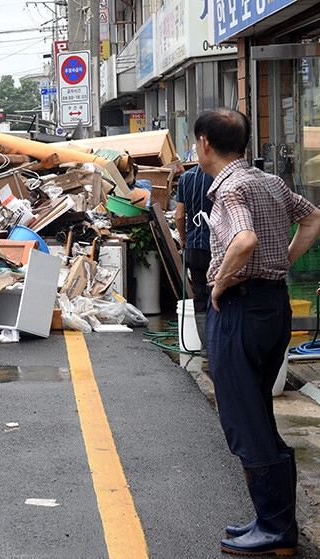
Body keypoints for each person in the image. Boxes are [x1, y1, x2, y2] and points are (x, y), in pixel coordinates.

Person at [195, 108, 320, 555]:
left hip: (242, 308)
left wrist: (221, 281)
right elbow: (313, 217)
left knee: (244, 418)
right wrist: (283, 261)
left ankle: (276, 529)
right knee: (257, 412)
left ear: (205, 143)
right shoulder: (269, 182)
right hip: (273, 306)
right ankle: (273, 520)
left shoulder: (230, 188)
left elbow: (244, 240)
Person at [175, 163, 214, 350]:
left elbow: (179, 217)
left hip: (194, 247)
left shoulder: (185, 178)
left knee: (200, 297)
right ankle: (220, 346)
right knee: (221, 296)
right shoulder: (221, 175)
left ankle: (206, 348)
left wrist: (183, 238)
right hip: (219, 248)